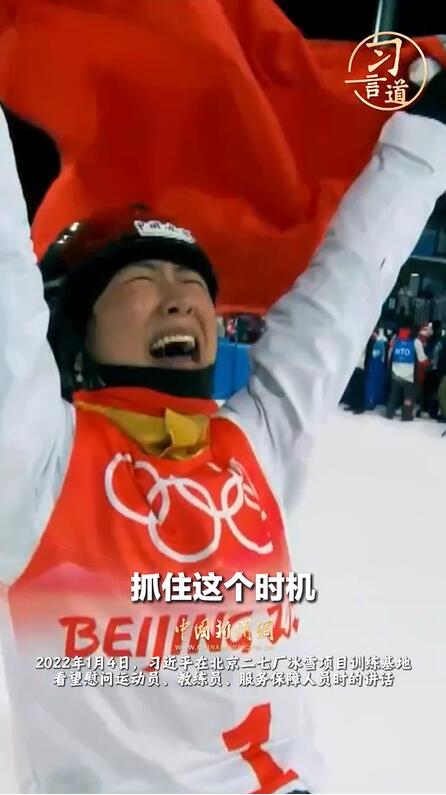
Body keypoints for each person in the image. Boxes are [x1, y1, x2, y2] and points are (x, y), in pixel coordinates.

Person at [2, 70, 446, 794]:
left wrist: (427, 136)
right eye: (140, 280)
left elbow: (343, 292)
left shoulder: (252, 443)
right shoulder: (36, 469)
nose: (180, 300)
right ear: (76, 328)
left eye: (193, 284)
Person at [386, 325, 428, 420]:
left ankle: (389, 413)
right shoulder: (416, 342)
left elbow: (389, 356)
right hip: (409, 376)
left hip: (395, 374)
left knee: (393, 395)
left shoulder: (395, 339)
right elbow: (422, 359)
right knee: (408, 397)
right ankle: (406, 416)